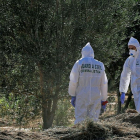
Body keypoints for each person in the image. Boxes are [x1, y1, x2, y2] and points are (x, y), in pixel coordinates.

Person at [68, 42, 108, 125]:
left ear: (82, 53)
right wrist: (104, 99)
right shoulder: (100, 65)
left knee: (80, 119)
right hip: (96, 94)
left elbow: (73, 80)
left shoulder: (79, 63)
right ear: (93, 53)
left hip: (82, 94)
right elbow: (104, 83)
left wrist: (72, 94)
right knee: (93, 120)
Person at [119, 37, 140, 113]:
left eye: (132, 48)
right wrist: (123, 91)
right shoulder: (129, 60)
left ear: (137, 47)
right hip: (136, 91)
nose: (131, 50)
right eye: (129, 48)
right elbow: (125, 75)